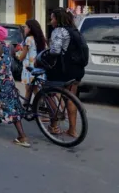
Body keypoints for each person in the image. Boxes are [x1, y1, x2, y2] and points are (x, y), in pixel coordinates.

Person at [46, 7, 85, 138]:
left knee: (48, 92)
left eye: (52, 18)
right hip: (77, 69)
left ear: (58, 19)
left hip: (63, 70)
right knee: (71, 98)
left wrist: (48, 51)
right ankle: (72, 130)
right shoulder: (75, 31)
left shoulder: (58, 31)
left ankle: (53, 125)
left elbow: (55, 51)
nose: (51, 21)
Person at [16, 19, 47, 106]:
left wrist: (16, 56)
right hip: (39, 67)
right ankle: (26, 105)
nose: (24, 28)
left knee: (32, 88)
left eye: (26, 27)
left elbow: (22, 56)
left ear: (30, 28)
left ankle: (41, 105)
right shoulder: (41, 39)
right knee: (31, 88)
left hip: (30, 68)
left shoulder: (29, 39)